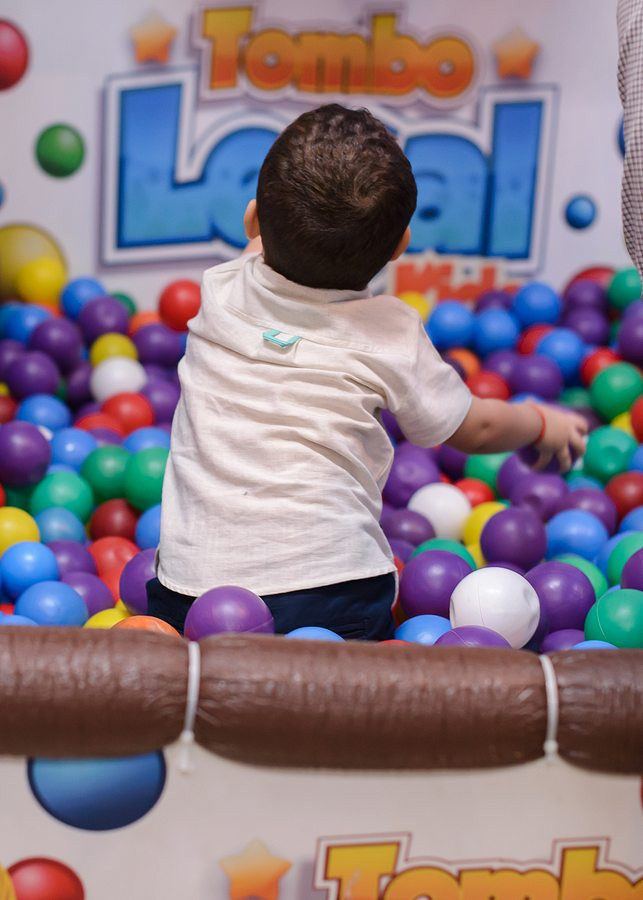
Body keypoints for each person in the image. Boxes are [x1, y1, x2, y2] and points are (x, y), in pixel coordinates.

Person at [147, 104, 587, 640]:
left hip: (190, 590)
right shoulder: (389, 331)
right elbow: (477, 427)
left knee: (179, 648)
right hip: (331, 591)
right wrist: (540, 422)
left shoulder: (220, 288)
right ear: (400, 246)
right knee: (354, 667)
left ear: (251, 223)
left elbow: (266, 246)